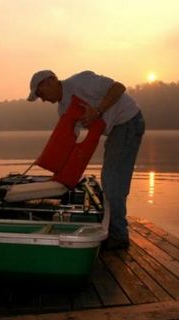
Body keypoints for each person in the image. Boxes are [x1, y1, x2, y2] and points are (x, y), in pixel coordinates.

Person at [27, 70, 145, 250]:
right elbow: (70, 142)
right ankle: (117, 232)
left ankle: (119, 237)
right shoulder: (63, 109)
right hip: (115, 130)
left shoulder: (81, 81)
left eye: (40, 94)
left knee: (113, 181)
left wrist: (97, 111)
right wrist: (57, 169)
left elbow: (118, 87)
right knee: (110, 179)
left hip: (128, 120)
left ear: (50, 82)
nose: (42, 99)